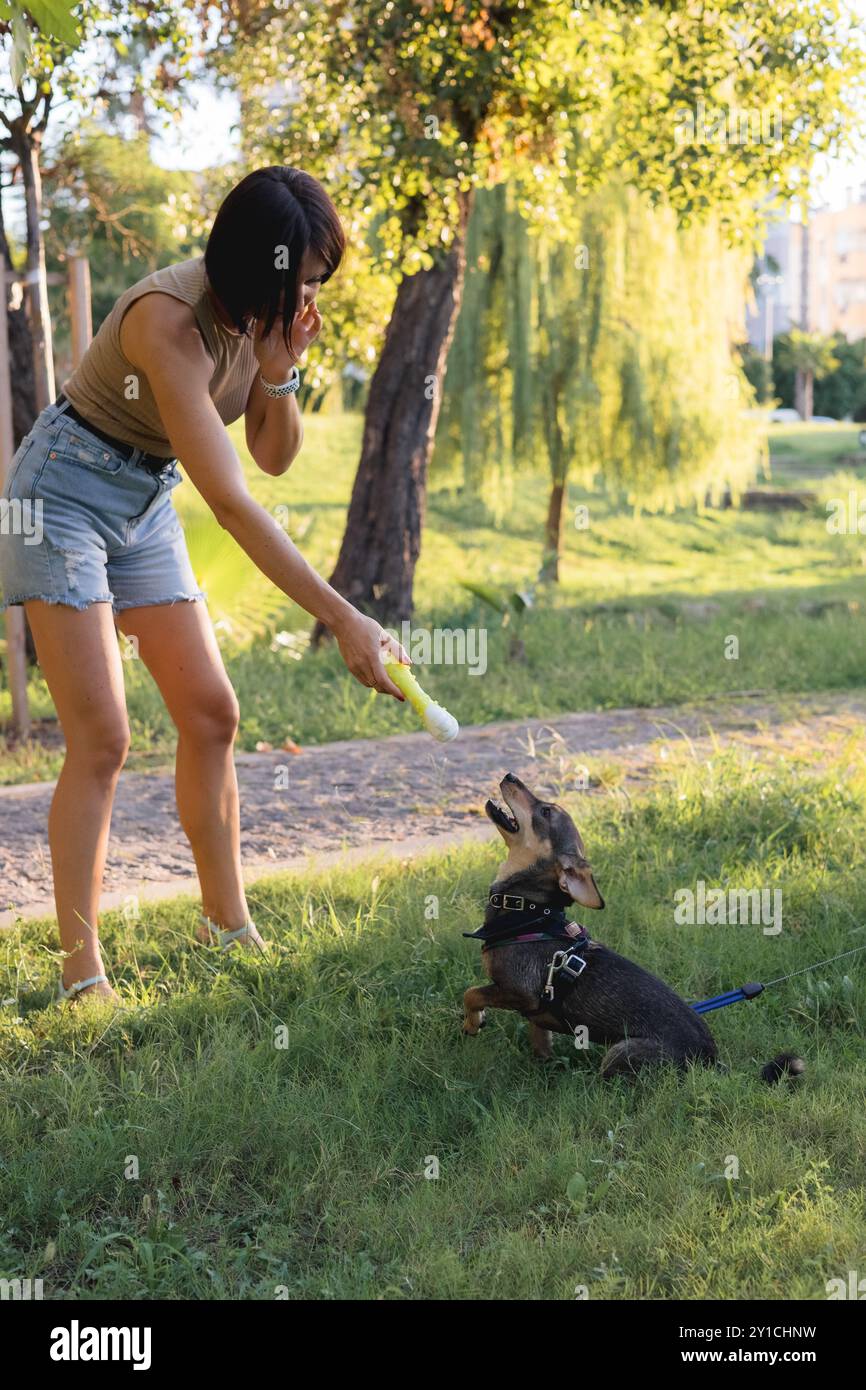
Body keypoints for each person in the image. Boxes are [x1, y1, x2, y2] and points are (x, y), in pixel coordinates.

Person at [0, 166, 409, 1005]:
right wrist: (343, 618)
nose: (309, 298)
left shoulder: (257, 323)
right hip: (62, 494)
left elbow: (273, 452)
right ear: (256, 267)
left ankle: (226, 925)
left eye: (317, 284)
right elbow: (231, 501)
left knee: (212, 713)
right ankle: (82, 974)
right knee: (103, 737)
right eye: (302, 281)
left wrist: (280, 365)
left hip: (142, 496)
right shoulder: (167, 324)